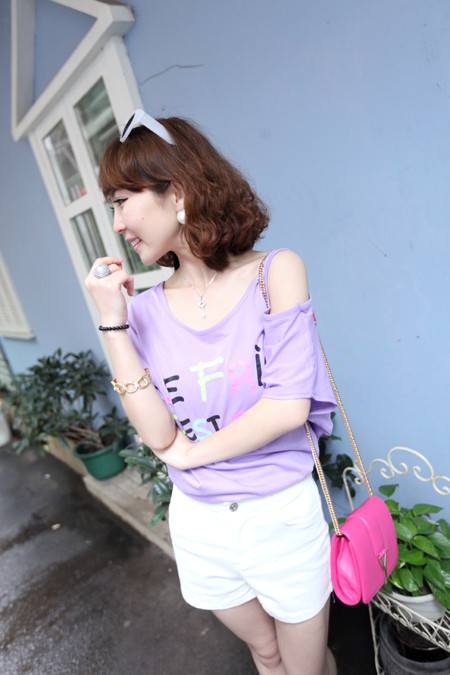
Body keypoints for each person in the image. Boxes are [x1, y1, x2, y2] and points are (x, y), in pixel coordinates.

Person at [85, 109, 338, 675]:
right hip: (200, 522)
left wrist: (191, 455)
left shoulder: (275, 272)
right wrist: (113, 322)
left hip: (279, 512)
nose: (118, 223)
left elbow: (287, 406)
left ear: (176, 191)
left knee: (306, 668)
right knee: (266, 655)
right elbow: (158, 435)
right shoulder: (144, 311)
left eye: (122, 201)